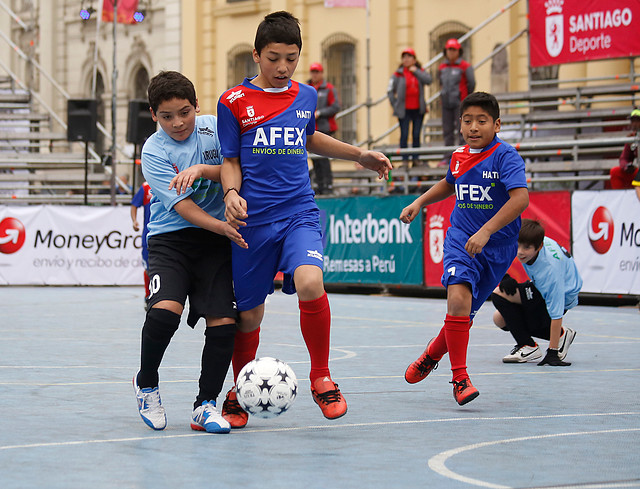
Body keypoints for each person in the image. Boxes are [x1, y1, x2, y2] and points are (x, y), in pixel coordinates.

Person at [217, 11, 392, 428]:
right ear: (256, 55)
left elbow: (309, 136)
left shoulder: (306, 96)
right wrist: (230, 194)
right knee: (250, 316)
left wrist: (359, 154)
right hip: (252, 222)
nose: (282, 67)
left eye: (291, 58)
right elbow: (230, 160)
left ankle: (321, 377)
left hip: (299, 211)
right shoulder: (233, 102)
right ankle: (241, 389)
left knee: (311, 281)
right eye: (274, 57)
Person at [133, 70, 247, 434]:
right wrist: (222, 227)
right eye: (166, 116)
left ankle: (205, 405)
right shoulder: (154, 150)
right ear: (153, 115)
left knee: (224, 322)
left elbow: (235, 167)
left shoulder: (215, 127)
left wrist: (202, 170)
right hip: (172, 240)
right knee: (165, 312)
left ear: (197, 106)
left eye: (184, 112)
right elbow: (182, 208)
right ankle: (146, 384)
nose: (177, 122)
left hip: (214, 243)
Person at [400, 91, 529, 405]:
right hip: (461, 239)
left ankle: (431, 355)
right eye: (468, 120)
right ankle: (460, 379)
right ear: (460, 124)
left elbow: (520, 199)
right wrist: (419, 202)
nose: (474, 126)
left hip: (497, 248)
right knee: (457, 302)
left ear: (496, 124)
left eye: (482, 121)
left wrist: (486, 232)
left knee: (464, 314)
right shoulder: (458, 156)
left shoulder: (506, 155)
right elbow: (449, 183)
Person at [491, 219, 582, 366]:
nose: (520, 252)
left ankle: (528, 345)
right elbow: (501, 252)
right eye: (518, 245)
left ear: (539, 247)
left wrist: (553, 352)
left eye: (526, 248)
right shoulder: (532, 239)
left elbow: (556, 314)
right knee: (499, 319)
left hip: (563, 295)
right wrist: (505, 276)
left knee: (500, 297)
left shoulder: (550, 272)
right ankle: (561, 336)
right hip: (540, 287)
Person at [387, 48, 432, 167]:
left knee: (416, 134)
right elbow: (390, 91)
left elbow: (429, 80)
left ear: (414, 59)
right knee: (404, 134)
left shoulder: (420, 71)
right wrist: (395, 104)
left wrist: (416, 71)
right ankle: (405, 159)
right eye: (404, 57)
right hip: (404, 110)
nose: (406, 59)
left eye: (409, 57)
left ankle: (416, 158)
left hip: (418, 109)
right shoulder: (398, 74)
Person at [439, 38, 476, 162]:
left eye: (453, 50)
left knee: (462, 130)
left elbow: (471, 83)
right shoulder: (442, 67)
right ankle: (447, 156)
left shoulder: (465, 66)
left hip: (459, 103)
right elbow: (440, 83)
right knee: (447, 131)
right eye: (449, 50)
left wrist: (465, 98)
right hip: (446, 103)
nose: (451, 52)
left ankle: (463, 156)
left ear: (459, 51)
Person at [307, 62, 340, 195]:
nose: (315, 75)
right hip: (310, 128)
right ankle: (319, 184)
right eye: (313, 72)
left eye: (317, 72)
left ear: (321, 73)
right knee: (315, 159)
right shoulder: (307, 88)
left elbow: (335, 106)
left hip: (324, 127)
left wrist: (319, 113)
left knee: (324, 157)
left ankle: (327, 184)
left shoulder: (329, 89)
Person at [130, 180, 152, 308]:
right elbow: (134, 205)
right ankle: (148, 295)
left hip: (166, 232)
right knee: (148, 268)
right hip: (148, 234)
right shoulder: (145, 187)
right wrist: (134, 221)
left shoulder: (171, 180)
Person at [609, 108, 640, 189]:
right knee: (615, 172)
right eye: (632, 121)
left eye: (637, 121)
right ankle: (619, 199)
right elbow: (623, 158)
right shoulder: (631, 138)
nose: (634, 124)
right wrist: (627, 166)